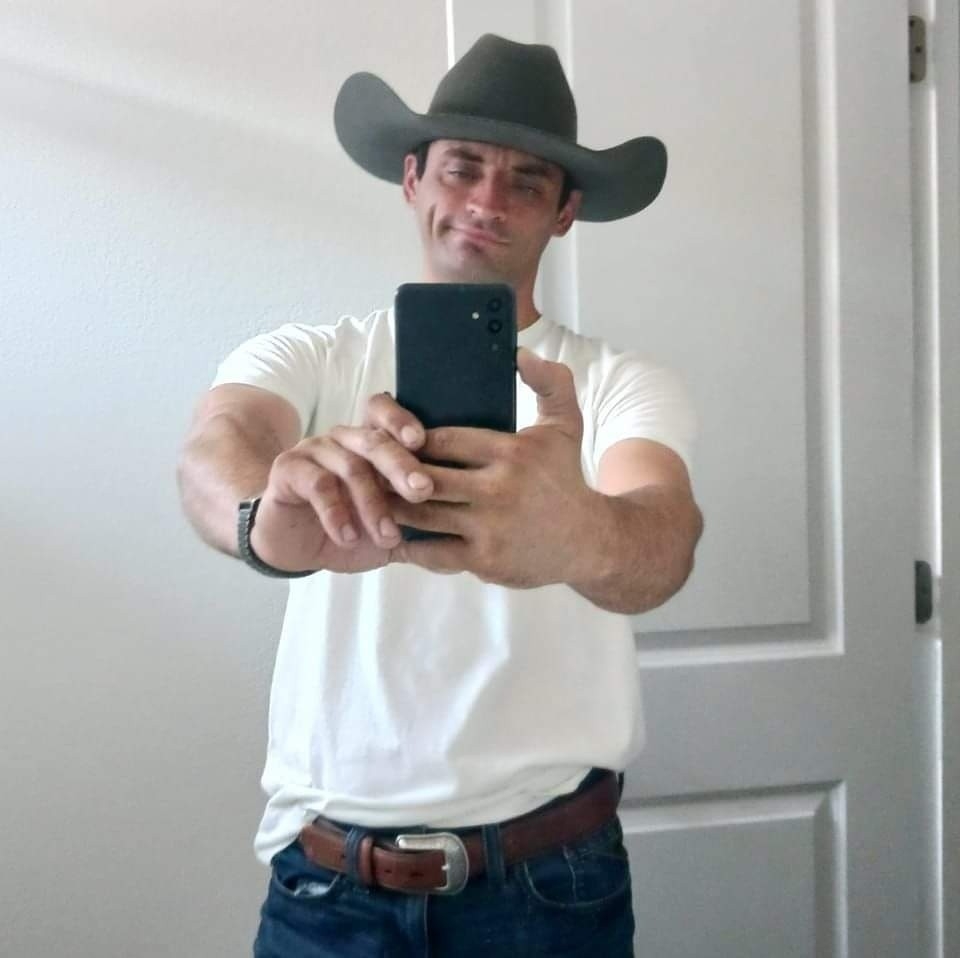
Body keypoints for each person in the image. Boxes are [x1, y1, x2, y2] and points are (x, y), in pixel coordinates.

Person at [178, 33, 703, 958]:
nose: (487, 202)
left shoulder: (615, 385)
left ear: (566, 213)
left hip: (550, 887)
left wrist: (581, 533)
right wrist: (267, 522)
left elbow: (663, 538)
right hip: (324, 887)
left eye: (527, 183)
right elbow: (214, 451)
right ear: (413, 178)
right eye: (463, 168)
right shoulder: (311, 356)